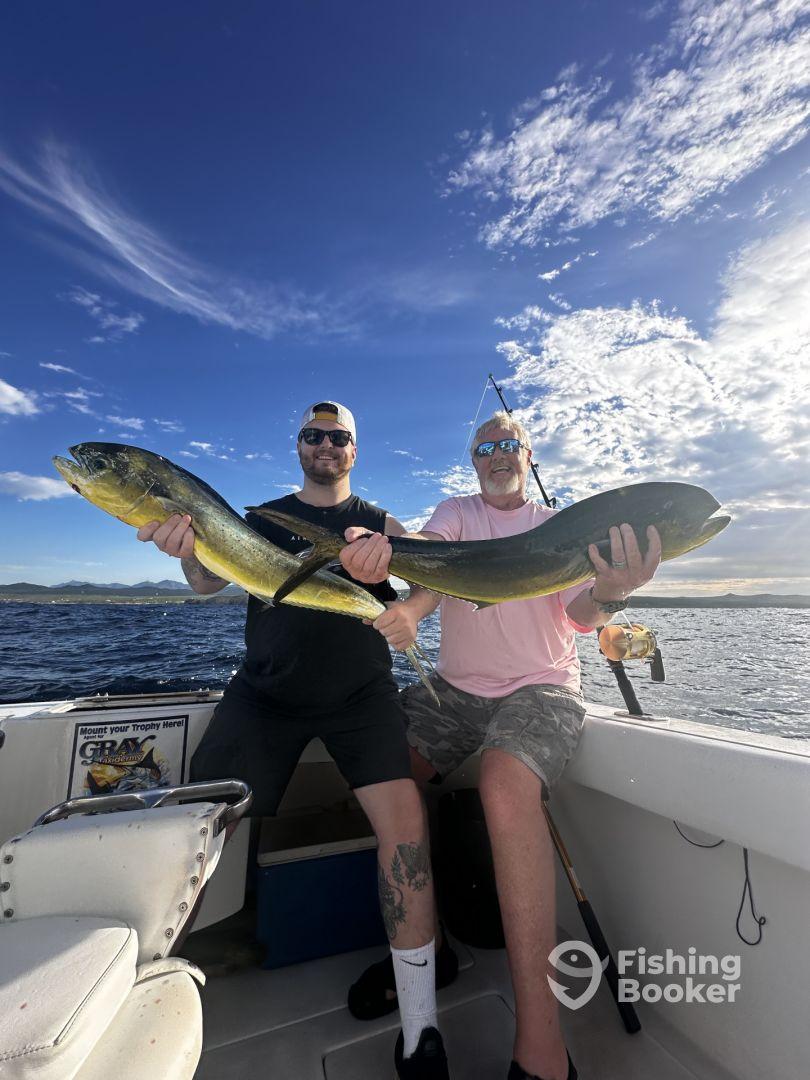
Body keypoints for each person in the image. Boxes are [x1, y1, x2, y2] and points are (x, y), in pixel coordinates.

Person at [339, 410, 662, 1080]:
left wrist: (611, 591)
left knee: (504, 785)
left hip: (540, 688)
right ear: (473, 460)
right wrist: (393, 559)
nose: (496, 454)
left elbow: (578, 617)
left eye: (507, 443)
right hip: (454, 692)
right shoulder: (457, 512)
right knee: (378, 772)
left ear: (528, 453)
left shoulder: (557, 525)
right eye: (484, 447)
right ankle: (426, 947)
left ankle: (543, 1050)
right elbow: (433, 556)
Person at [136, 401, 451, 1079]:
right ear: (299, 446)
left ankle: (422, 1030)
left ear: (355, 451)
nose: (327, 444)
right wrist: (184, 551)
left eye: (339, 436)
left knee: (406, 829)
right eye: (314, 435)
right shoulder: (258, 517)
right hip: (266, 693)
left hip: (361, 697)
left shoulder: (382, 521)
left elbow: (431, 579)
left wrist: (408, 614)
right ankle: (142, 1000)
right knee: (186, 827)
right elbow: (207, 578)